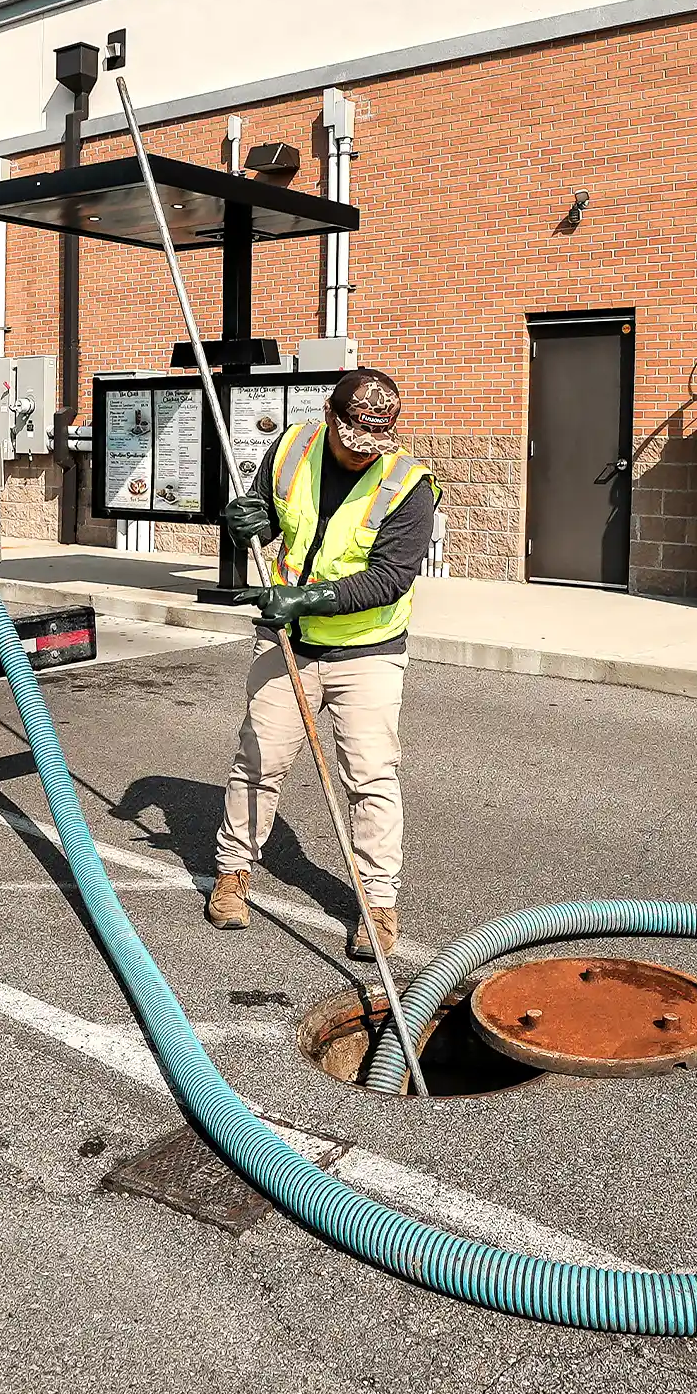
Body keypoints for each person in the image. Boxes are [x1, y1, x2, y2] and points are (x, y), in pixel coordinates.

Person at [207, 368, 439, 961]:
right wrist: (242, 521)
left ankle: (377, 904)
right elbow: (256, 510)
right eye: (353, 440)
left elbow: (390, 578)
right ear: (331, 416)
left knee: (370, 777)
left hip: (366, 650)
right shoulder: (291, 447)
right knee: (258, 759)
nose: (363, 456)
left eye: (376, 445)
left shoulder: (407, 483)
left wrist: (308, 598)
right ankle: (233, 871)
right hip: (286, 640)